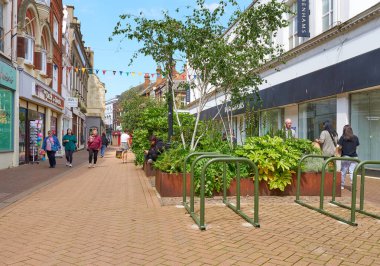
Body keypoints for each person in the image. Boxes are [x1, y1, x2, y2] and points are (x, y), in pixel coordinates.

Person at [338, 125, 360, 190]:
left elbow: (340, 147)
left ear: (344, 130)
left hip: (345, 156)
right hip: (354, 157)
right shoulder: (355, 137)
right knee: (352, 171)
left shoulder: (342, 137)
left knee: (343, 171)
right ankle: (353, 185)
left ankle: (342, 185)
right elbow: (356, 147)